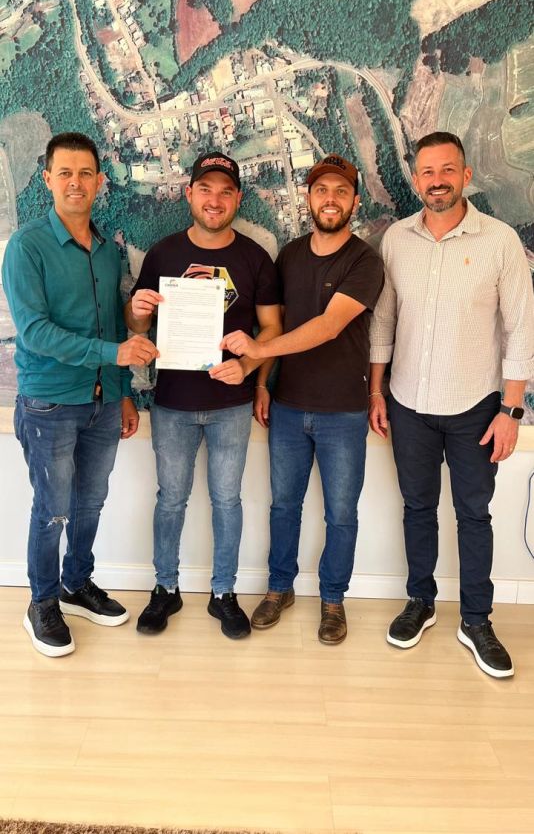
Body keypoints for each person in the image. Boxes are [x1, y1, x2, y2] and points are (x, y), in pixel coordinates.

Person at [368, 131, 534, 679]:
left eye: (446, 171)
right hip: (407, 402)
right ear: (416, 179)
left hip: (476, 409)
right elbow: (384, 319)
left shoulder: (500, 241)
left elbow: (522, 329)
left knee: (473, 515)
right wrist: (376, 391)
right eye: (427, 172)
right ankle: (420, 602)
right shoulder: (396, 239)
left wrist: (511, 411)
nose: (436, 181)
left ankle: (476, 620)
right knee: (417, 509)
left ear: (465, 176)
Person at [2, 132, 158, 658]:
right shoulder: (26, 247)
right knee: (52, 510)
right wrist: (115, 355)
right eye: (65, 173)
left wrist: (124, 391)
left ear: (98, 181)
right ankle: (42, 603)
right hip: (49, 404)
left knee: (90, 503)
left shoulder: (109, 251)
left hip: (104, 404)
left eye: (85, 173)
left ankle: (76, 583)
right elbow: (35, 332)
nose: (76, 182)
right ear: (48, 178)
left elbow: (114, 323)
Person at [222, 154, 384, 644]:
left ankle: (333, 599)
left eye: (340, 191)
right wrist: (262, 382)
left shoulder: (365, 261)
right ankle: (279, 588)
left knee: (341, 514)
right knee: (283, 507)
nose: (330, 199)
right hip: (288, 407)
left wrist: (256, 352)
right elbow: (276, 326)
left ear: (355, 202)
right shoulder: (289, 256)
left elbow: (328, 326)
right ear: (308, 198)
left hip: (344, 412)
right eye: (321, 190)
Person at [126, 151, 281, 640]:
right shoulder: (162, 254)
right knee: (170, 500)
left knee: (227, 500)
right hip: (172, 403)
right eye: (206, 190)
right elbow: (138, 327)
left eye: (225, 191)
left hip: (231, 406)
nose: (215, 200)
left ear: (238, 198)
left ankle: (223, 593)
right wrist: (137, 310)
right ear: (189, 194)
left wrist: (248, 366)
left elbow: (272, 329)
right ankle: (165, 587)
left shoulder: (255, 258)